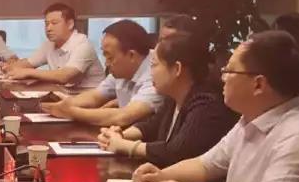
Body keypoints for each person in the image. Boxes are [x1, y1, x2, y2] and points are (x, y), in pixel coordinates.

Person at [133, 30, 299, 182]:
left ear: (258, 84)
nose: (223, 77)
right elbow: (206, 165)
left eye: (229, 70)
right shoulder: (253, 114)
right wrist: (162, 176)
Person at [98, 32, 236, 166]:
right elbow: (150, 126)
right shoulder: (173, 98)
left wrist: (125, 146)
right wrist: (119, 135)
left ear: (177, 69)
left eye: (154, 65)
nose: (151, 73)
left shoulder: (206, 105)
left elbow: (175, 151)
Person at [40, 20, 162, 127]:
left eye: (110, 57)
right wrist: (61, 106)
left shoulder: (156, 75)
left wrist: (71, 112)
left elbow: (123, 117)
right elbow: (95, 96)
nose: (106, 64)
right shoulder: (122, 69)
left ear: (131, 55)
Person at [3, 3, 105, 87]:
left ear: (70, 24)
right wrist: (8, 67)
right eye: (46, 24)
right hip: (66, 94)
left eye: (54, 23)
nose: (48, 28)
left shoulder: (83, 45)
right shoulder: (49, 44)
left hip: (90, 96)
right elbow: (28, 63)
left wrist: (28, 72)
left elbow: (64, 76)